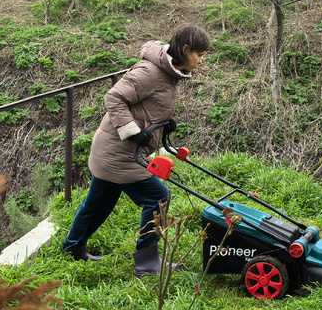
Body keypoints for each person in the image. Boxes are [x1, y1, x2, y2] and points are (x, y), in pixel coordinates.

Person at [61, 25, 210, 277]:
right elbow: (114, 98)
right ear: (185, 50)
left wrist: (162, 126)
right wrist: (132, 131)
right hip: (120, 151)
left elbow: (146, 108)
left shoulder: (169, 72)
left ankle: (72, 248)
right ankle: (148, 262)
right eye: (199, 54)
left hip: (118, 149)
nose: (202, 60)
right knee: (157, 197)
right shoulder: (151, 71)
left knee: (98, 202)